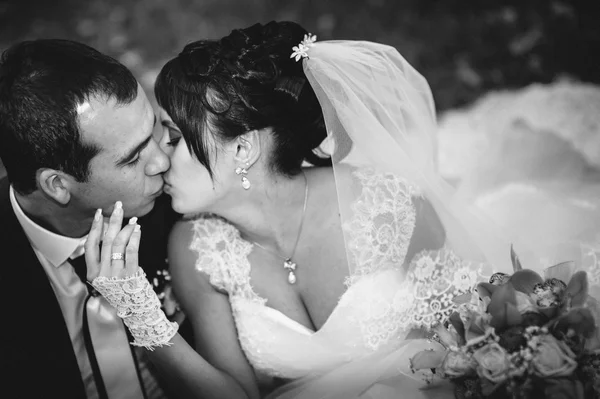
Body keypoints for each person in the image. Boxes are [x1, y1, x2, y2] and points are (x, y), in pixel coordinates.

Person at [85, 21, 598, 399]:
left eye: (173, 138)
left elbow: (475, 338)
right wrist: (138, 312)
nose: (156, 159)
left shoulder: (388, 208)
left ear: (242, 150)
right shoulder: (196, 247)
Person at [0, 39, 181, 399]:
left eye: (154, 133)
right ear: (57, 185)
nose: (162, 161)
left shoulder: (179, 204)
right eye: (132, 159)